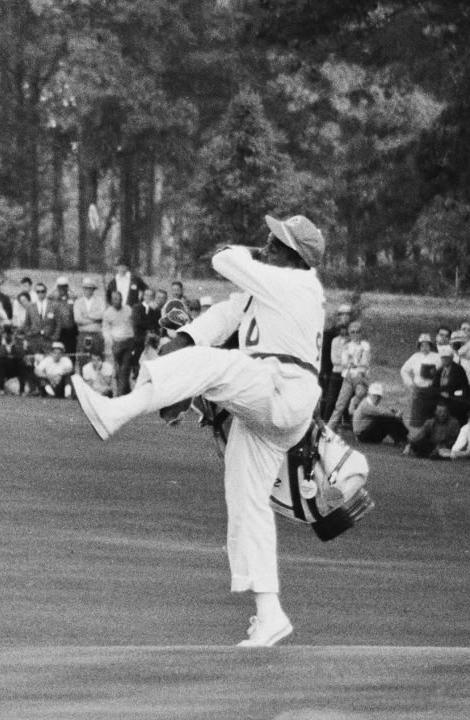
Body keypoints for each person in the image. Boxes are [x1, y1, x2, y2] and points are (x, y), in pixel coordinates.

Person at [71, 214, 327, 647]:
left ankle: (118, 411)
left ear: (293, 257)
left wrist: (244, 253)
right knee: (246, 502)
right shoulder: (266, 289)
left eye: (273, 244)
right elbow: (223, 317)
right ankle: (270, 614)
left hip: (284, 387)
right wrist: (182, 342)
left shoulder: (299, 284)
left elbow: (224, 259)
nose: (265, 248)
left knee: (215, 366)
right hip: (270, 402)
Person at [399, 333, 440, 427]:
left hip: (432, 390)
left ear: (430, 346)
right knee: (416, 421)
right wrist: (410, 383)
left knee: (431, 420)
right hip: (418, 390)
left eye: (427, 345)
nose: (424, 348)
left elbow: (442, 370)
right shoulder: (415, 357)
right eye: (422, 345)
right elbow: (404, 370)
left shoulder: (437, 357)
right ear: (419, 346)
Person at [102, 288, 137, 396]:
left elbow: (133, 325)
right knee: (117, 370)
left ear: (122, 299)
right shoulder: (108, 313)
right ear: (111, 300)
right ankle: (122, 391)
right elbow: (106, 330)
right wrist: (110, 342)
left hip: (128, 342)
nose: (117, 301)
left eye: (119, 298)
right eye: (114, 299)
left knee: (125, 369)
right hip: (115, 344)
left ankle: (121, 394)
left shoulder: (128, 310)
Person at [435, 344, 470, 424]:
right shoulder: (440, 370)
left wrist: (447, 394)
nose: (444, 359)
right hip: (443, 400)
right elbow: (434, 386)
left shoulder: (458, 369)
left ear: (451, 358)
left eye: (446, 357)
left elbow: (457, 386)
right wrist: (441, 392)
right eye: (442, 357)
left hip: (456, 400)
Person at [73, 276, 106, 365]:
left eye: (90, 288)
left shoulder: (100, 301)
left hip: (96, 334)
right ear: (83, 289)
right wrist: (94, 320)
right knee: (82, 359)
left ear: (93, 289)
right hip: (83, 333)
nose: (88, 290)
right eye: (86, 288)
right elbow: (78, 319)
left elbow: (102, 315)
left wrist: (87, 316)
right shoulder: (78, 302)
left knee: (98, 359)